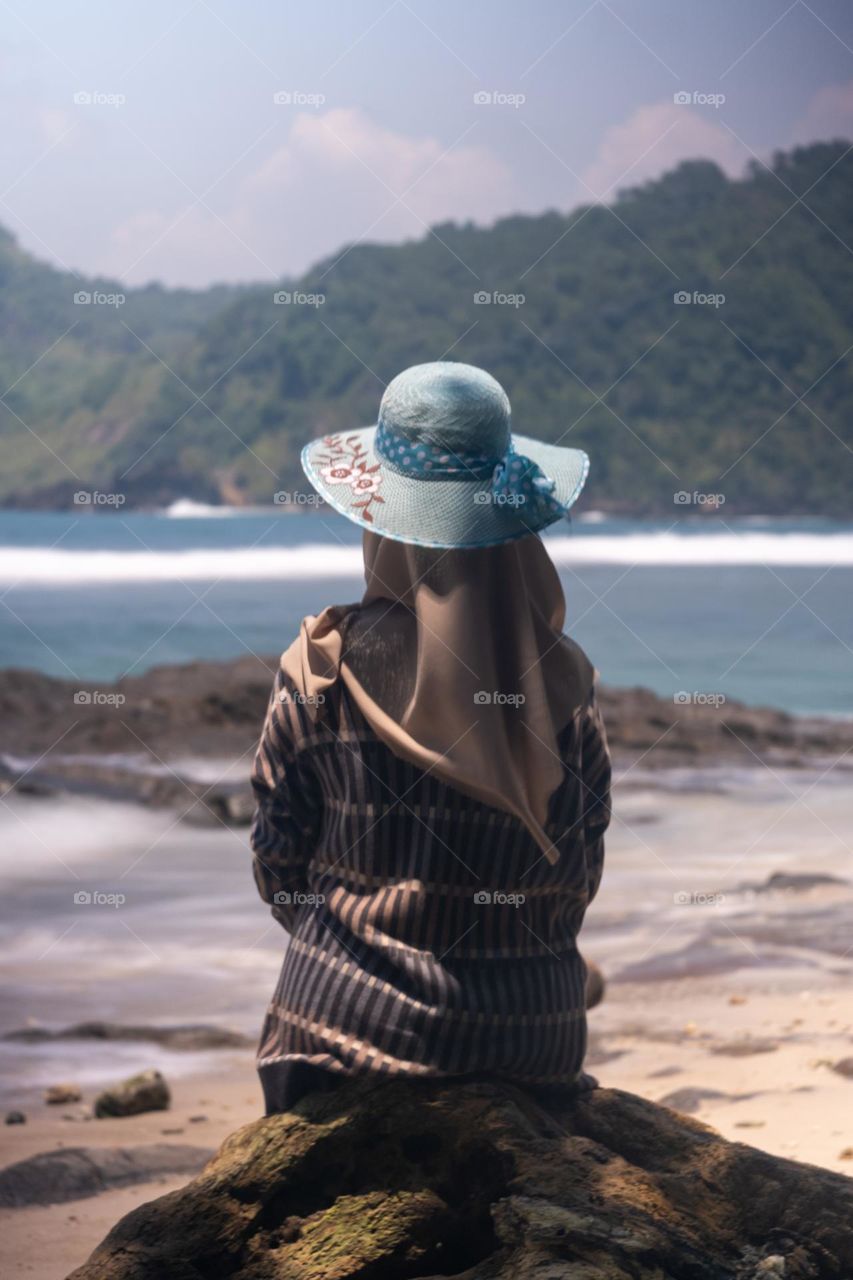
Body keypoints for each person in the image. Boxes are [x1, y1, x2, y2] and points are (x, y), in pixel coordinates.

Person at [250, 361, 611, 1114]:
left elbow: (277, 862)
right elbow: (575, 883)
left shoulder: (322, 669)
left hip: (343, 1038)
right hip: (533, 1045)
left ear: (380, 520)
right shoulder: (564, 689)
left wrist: (365, 949)